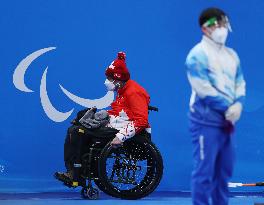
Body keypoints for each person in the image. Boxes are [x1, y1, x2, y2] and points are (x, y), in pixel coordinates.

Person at [55, 51, 150, 187]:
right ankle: (76, 172)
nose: (107, 82)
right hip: (116, 124)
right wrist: (102, 114)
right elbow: (119, 112)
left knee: (78, 132)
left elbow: (141, 121)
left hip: (123, 129)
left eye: (110, 79)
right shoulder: (122, 90)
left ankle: (76, 175)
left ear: (118, 79)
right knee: (76, 126)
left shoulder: (134, 92)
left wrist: (121, 136)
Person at [185, 7, 246, 205]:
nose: (222, 28)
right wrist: (228, 107)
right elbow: (203, 88)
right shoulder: (197, 55)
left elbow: (240, 83)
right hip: (205, 122)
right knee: (205, 172)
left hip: (227, 122)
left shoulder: (232, 55)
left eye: (223, 23)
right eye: (216, 24)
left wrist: (238, 104)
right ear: (205, 29)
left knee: (224, 172)